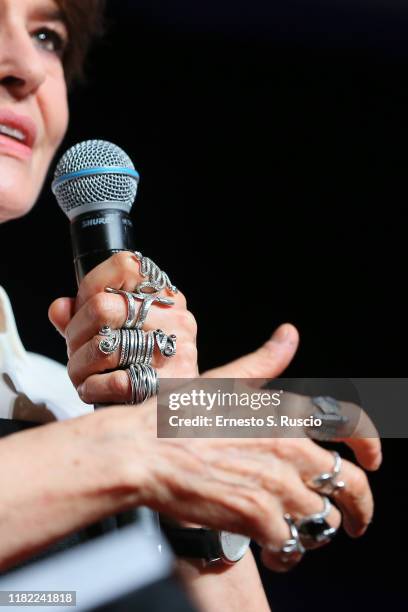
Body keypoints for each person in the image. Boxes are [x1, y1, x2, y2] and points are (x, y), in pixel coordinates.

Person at [0, 1, 382, 610]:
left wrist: (191, 491)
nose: (27, 67)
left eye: (47, 35)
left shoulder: (67, 412)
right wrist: (131, 451)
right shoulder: (108, 448)